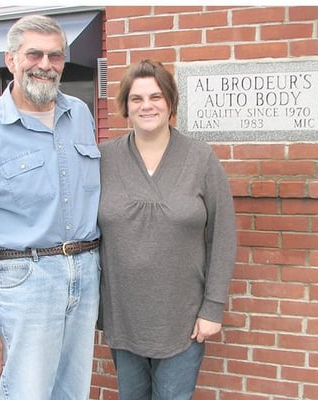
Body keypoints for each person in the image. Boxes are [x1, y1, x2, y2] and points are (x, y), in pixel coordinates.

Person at [0, 14, 101, 400]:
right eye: (34, 54)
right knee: (28, 392)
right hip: (27, 278)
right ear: (11, 59)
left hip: (85, 272)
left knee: (73, 392)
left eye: (56, 56)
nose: (46, 65)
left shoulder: (80, 116)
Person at [97, 59, 237, 400]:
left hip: (183, 319)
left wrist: (212, 308)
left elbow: (223, 235)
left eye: (156, 97)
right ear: (126, 107)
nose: (147, 105)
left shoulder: (200, 158)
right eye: (137, 98)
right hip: (124, 317)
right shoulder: (103, 160)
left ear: (170, 102)